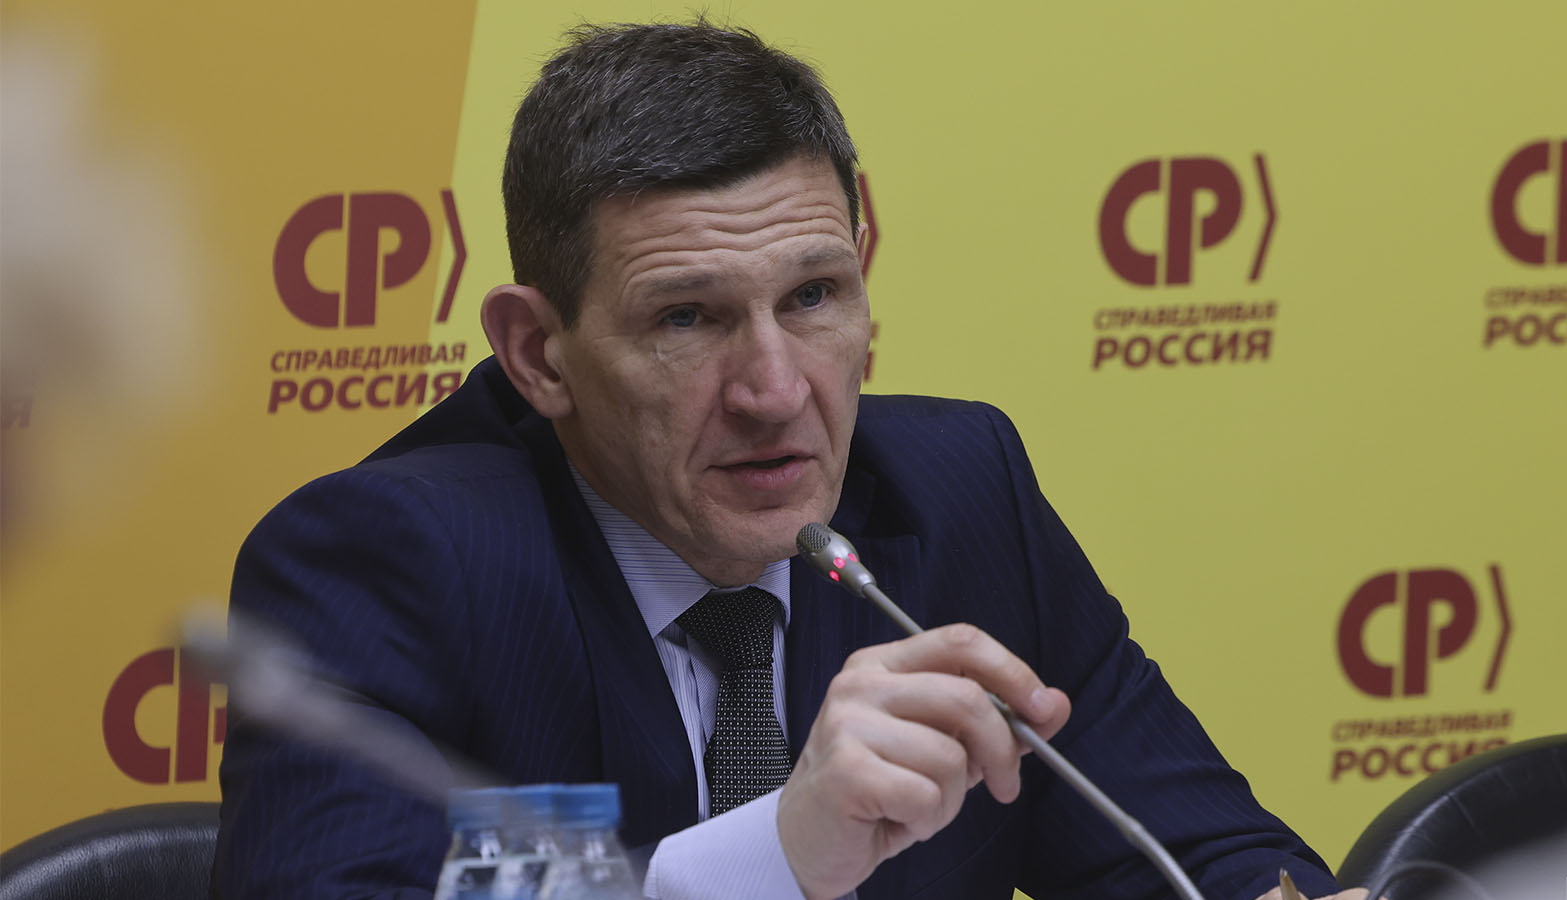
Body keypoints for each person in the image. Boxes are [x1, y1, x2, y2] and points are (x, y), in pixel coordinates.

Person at [214, 21, 1358, 900]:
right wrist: (774, 853)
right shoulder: (386, 565)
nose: (774, 392)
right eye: (686, 319)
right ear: (538, 354)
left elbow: (1206, 858)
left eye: (812, 296)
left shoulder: (960, 494)